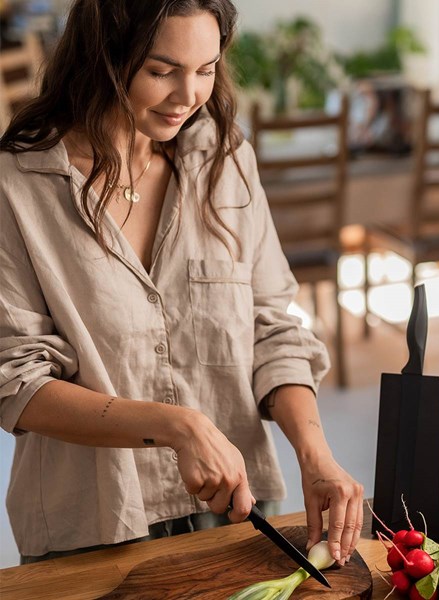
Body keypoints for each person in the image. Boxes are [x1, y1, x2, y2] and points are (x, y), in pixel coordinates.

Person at [0, 0, 364, 566]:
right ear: (103, 59)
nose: (188, 95)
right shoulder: (19, 186)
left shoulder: (226, 158)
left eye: (206, 69)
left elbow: (270, 326)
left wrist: (315, 455)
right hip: (95, 521)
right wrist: (176, 426)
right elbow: (13, 379)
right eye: (161, 70)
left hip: (239, 511)